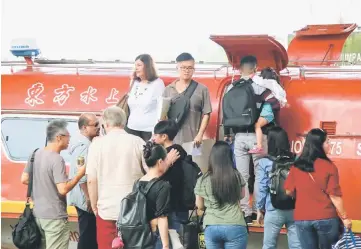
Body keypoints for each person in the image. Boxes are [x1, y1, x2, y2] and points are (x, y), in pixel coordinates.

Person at [86, 106, 179, 249]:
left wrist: (94, 205)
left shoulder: (97, 145)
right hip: (135, 212)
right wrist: (167, 163)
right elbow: (154, 173)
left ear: (105, 124)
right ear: (124, 122)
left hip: (106, 211)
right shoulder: (138, 142)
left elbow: (91, 179)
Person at [21, 120, 86, 249]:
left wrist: (44, 183)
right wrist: (79, 175)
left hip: (37, 214)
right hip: (55, 217)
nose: (69, 140)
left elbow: (24, 179)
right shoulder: (57, 159)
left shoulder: (34, 154)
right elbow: (62, 189)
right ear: (58, 137)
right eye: (68, 136)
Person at [284, 128, 352, 249]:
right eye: (327, 142)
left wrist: (303, 196)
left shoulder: (296, 166)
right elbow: (334, 195)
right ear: (319, 145)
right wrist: (345, 218)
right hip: (326, 217)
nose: (329, 144)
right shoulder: (329, 166)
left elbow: (288, 191)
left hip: (302, 218)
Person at [223, 55, 270, 224]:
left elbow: (226, 111)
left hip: (239, 136)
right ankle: (258, 210)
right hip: (258, 136)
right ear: (255, 68)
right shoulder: (260, 86)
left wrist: (228, 133)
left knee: (242, 175)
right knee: (259, 175)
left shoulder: (230, 87)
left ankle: (245, 212)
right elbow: (272, 104)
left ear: (240, 69)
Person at [194, 141, 248, 249]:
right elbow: (242, 195)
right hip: (235, 224)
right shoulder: (236, 175)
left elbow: (199, 206)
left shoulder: (203, 179)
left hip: (211, 225)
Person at [255, 126, 301, 249]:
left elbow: (261, 187)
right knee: (297, 246)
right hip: (294, 208)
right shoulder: (297, 160)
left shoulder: (264, 162)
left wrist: (259, 209)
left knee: (269, 246)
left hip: (273, 208)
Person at [162, 52, 212, 147]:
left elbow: (207, 113)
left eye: (190, 68)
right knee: (172, 161)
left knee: (193, 162)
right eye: (183, 67)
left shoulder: (202, 89)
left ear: (194, 69)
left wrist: (200, 134)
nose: (186, 71)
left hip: (194, 141)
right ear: (177, 68)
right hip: (172, 141)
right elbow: (163, 116)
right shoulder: (168, 90)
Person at [68, 113, 99, 249]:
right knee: (88, 235)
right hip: (84, 198)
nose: (98, 128)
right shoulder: (84, 146)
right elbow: (81, 174)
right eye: (95, 125)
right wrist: (89, 198)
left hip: (81, 195)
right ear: (85, 128)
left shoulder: (82, 142)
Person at [152, 120, 189, 232]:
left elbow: (155, 175)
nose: (153, 138)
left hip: (168, 207)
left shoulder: (164, 156)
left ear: (164, 137)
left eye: (155, 135)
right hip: (182, 205)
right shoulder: (180, 152)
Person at [139, 140, 172, 249]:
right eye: (166, 159)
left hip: (141, 234)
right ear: (160, 162)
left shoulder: (138, 183)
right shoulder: (163, 186)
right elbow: (162, 218)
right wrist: (166, 245)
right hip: (156, 234)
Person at [125, 54, 165, 141]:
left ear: (147, 67)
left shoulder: (158, 83)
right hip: (131, 128)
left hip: (149, 131)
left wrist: (157, 131)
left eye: (139, 65)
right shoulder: (134, 82)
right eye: (135, 65)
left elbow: (161, 108)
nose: (136, 68)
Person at [248, 67, 287, 154]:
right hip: (272, 109)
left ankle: (259, 146)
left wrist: (252, 76)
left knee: (257, 125)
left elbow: (261, 82)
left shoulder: (270, 83)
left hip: (268, 108)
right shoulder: (277, 85)